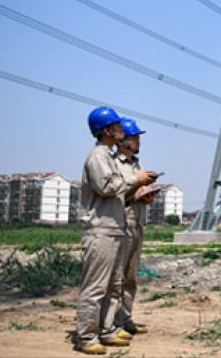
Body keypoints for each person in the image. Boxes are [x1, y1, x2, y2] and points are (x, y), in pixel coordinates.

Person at [76, 107, 157, 355]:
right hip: (101, 230)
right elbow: (106, 186)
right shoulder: (97, 157)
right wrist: (136, 181)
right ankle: (87, 337)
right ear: (105, 130)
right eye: (118, 127)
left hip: (114, 229)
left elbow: (118, 189)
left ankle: (108, 330)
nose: (122, 131)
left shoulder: (109, 156)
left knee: (113, 286)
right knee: (95, 287)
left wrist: (139, 190)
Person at [114, 118, 159, 336]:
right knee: (117, 275)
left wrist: (146, 196)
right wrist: (136, 184)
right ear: (121, 139)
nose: (138, 140)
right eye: (133, 137)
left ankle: (126, 318)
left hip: (137, 221)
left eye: (138, 137)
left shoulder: (136, 165)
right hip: (121, 223)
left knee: (131, 276)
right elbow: (112, 192)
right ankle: (113, 323)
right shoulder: (114, 163)